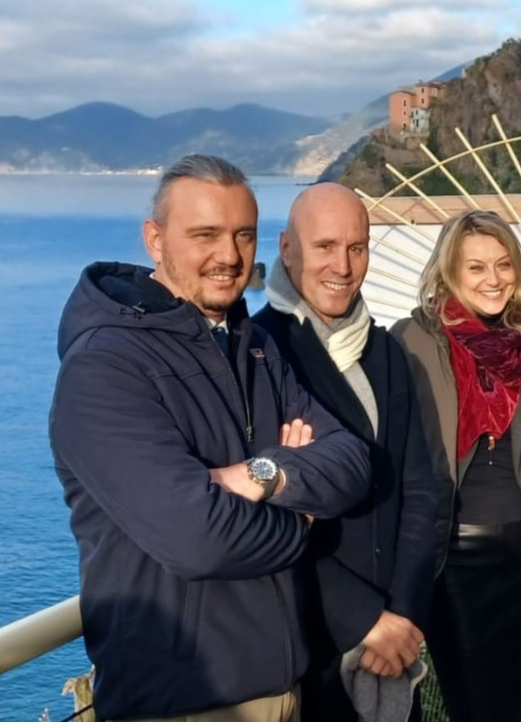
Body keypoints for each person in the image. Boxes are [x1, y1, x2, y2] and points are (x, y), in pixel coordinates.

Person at [49, 155, 373, 722]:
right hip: (180, 703)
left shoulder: (251, 346)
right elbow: (197, 539)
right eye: (205, 235)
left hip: (283, 691)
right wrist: (301, 519)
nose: (229, 256)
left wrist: (258, 475)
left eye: (242, 235)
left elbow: (350, 463)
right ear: (155, 240)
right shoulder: (105, 369)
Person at [391, 209, 521, 722]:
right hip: (449, 556)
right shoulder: (411, 339)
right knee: (469, 701)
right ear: (449, 274)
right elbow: (397, 457)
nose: (493, 280)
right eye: (476, 268)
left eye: (503, 265)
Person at [252, 183, 442, 720]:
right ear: (288, 249)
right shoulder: (259, 355)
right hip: (307, 641)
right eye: (325, 246)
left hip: (393, 637)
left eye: (356, 247)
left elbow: (420, 489)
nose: (343, 264)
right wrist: (365, 620)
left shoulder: (385, 353)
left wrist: (404, 615)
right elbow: (261, 517)